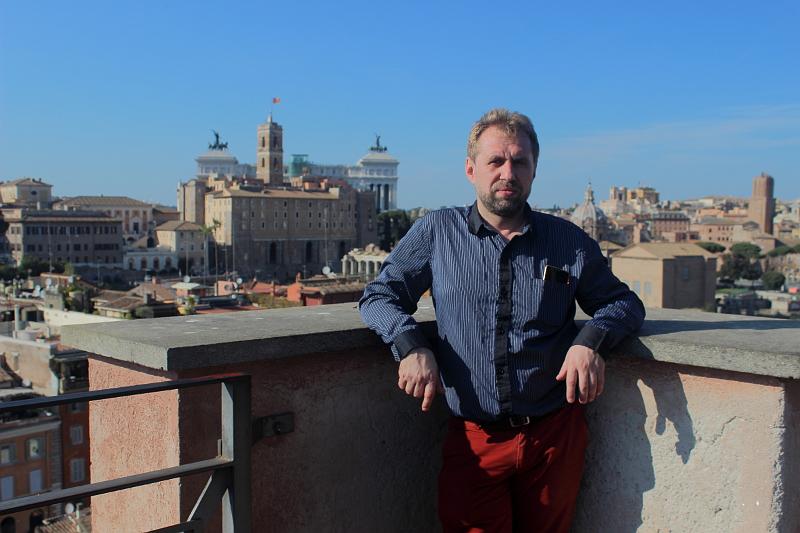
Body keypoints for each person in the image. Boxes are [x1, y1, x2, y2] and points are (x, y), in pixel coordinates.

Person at [359, 108, 645, 532]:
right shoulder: (437, 232)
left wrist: (590, 341)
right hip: (476, 439)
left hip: (554, 438)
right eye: (496, 161)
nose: (507, 172)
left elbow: (623, 304)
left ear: (534, 171)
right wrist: (412, 345)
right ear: (471, 169)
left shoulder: (567, 241)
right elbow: (379, 296)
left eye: (520, 162)